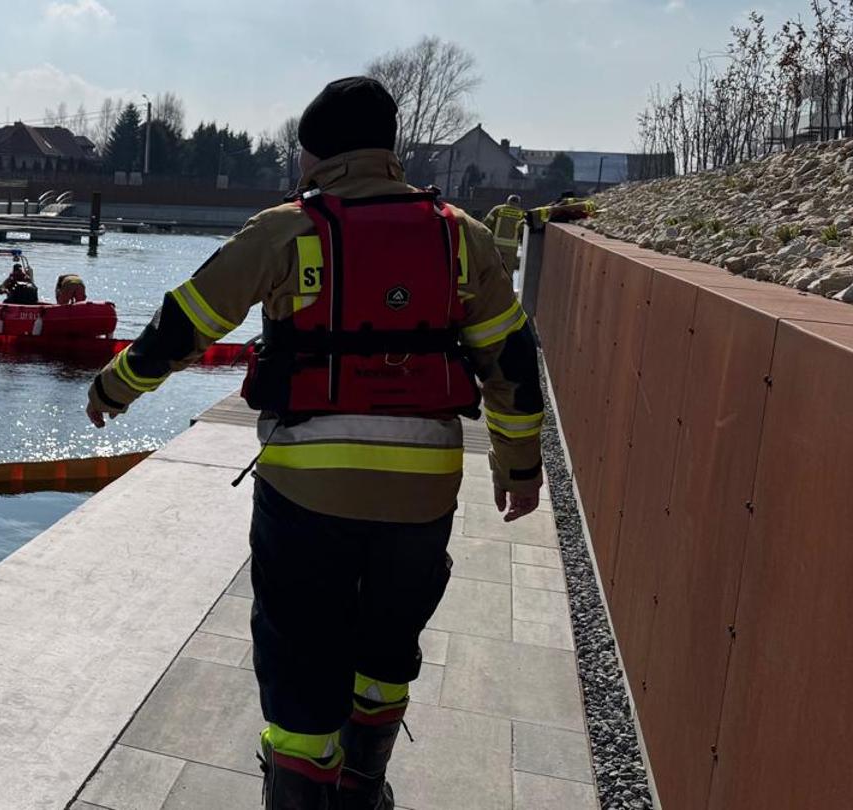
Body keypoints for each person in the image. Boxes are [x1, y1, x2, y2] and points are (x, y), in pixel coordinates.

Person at [83, 76, 546, 810]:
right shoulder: (462, 234)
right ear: (387, 149)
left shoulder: (286, 229)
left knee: (299, 663)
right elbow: (512, 361)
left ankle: (303, 790)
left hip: (307, 493)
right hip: (421, 496)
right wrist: (522, 470)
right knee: (387, 648)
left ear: (312, 153)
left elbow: (187, 320)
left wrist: (115, 387)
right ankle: (364, 786)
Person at [482, 194, 527, 272]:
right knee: (507, 272)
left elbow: (485, 225)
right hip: (511, 249)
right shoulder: (522, 214)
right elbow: (523, 231)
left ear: (507, 201)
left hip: (495, 246)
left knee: (492, 271)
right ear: (518, 203)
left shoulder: (497, 210)